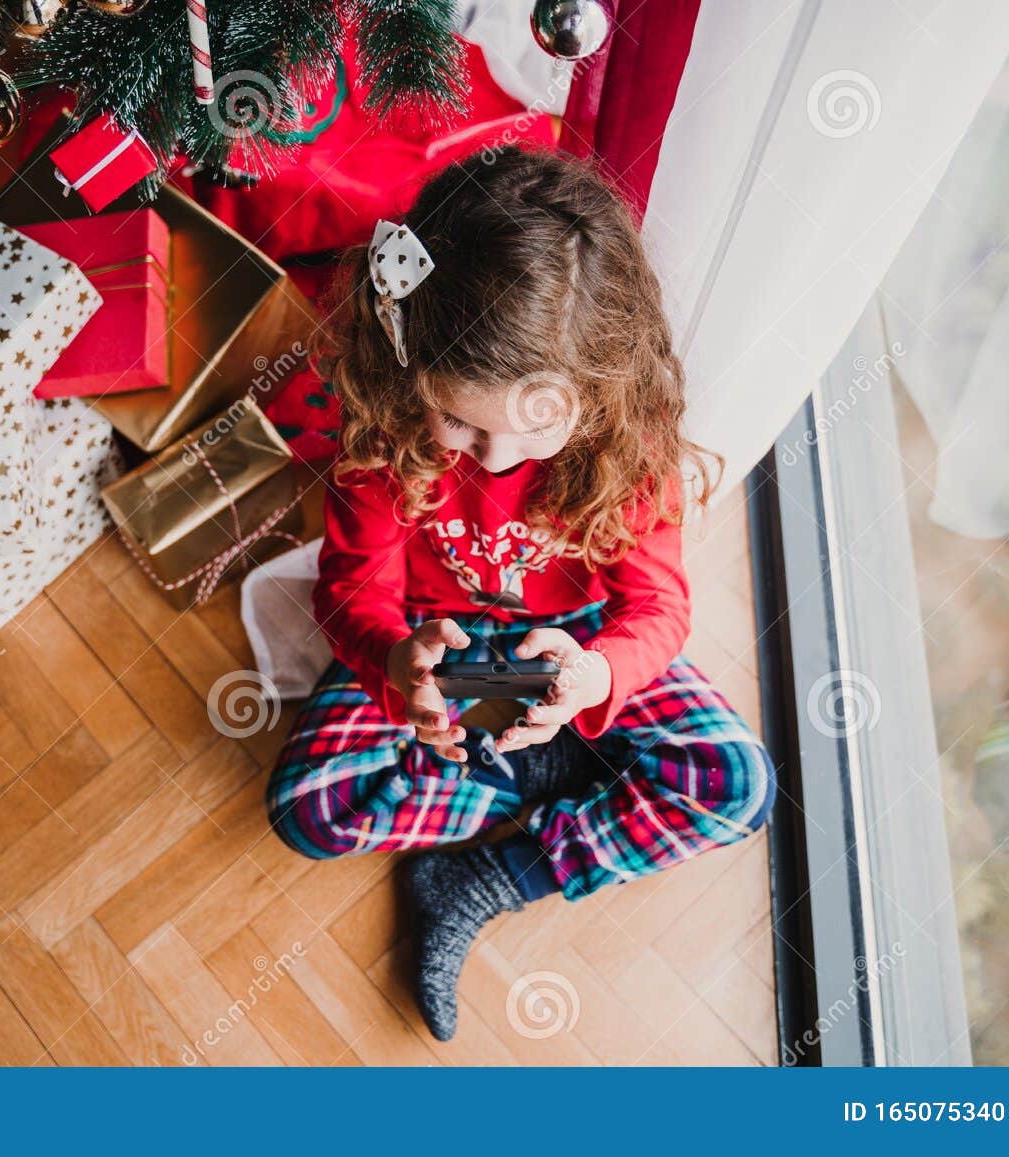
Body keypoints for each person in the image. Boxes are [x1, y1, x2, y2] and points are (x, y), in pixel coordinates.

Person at [266, 147, 775, 1043]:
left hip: (573, 648)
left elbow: (657, 612)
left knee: (738, 787)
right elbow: (351, 589)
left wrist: (593, 677)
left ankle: (488, 874)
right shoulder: (384, 433)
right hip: (434, 636)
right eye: (458, 418)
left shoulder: (629, 445)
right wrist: (396, 661)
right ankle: (566, 769)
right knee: (308, 809)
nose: (490, 460)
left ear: (597, 389)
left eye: (526, 431)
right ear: (410, 363)